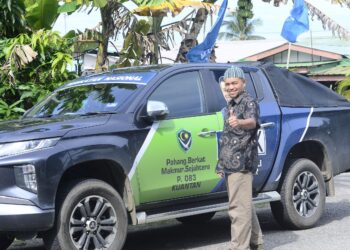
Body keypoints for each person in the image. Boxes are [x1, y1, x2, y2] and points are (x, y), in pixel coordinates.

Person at [216, 66, 263, 250]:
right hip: (230, 162)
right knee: (243, 204)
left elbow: (252, 122)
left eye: (234, 83)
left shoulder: (249, 102)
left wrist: (239, 122)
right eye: (228, 84)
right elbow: (228, 138)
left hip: (242, 162)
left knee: (237, 210)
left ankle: (238, 247)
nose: (231, 87)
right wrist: (221, 164)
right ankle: (256, 242)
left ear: (243, 83)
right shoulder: (232, 104)